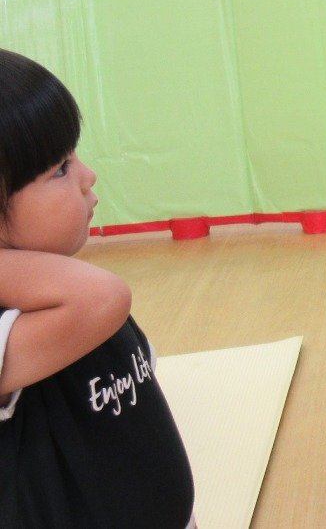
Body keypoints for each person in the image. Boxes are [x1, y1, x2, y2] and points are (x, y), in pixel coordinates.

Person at [0, 49, 196, 528]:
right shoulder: (39, 317)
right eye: (60, 169)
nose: (88, 176)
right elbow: (105, 297)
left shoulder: (72, 291)